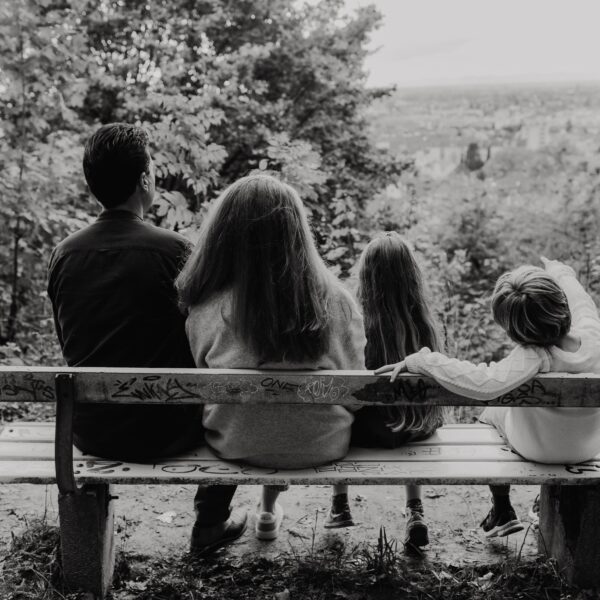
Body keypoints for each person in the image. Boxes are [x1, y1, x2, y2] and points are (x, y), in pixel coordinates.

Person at [176, 173, 366, 554]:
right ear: (298, 234)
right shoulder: (338, 303)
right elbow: (357, 392)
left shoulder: (205, 307)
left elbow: (201, 381)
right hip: (322, 444)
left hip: (233, 442)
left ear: (225, 236)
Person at [377, 257, 600, 538]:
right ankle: (519, 507)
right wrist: (559, 270)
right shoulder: (593, 335)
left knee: (490, 414)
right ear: (561, 303)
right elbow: (580, 298)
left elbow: (481, 384)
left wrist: (421, 361)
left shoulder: (534, 356)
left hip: (539, 449)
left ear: (516, 330)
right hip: (588, 447)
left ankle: (502, 507)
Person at [48, 123, 202, 460]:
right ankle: (209, 514)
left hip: (92, 432)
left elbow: (68, 340)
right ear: (145, 179)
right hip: (169, 431)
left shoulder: (64, 254)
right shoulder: (175, 250)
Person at [325, 232, 445, 550]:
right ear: (411, 276)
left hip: (370, 431)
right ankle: (415, 510)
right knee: (402, 415)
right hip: (417, 427)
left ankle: (339, 503)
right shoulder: (426, 323)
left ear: (366, 276)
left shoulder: (356, 320)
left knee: (342, 414)